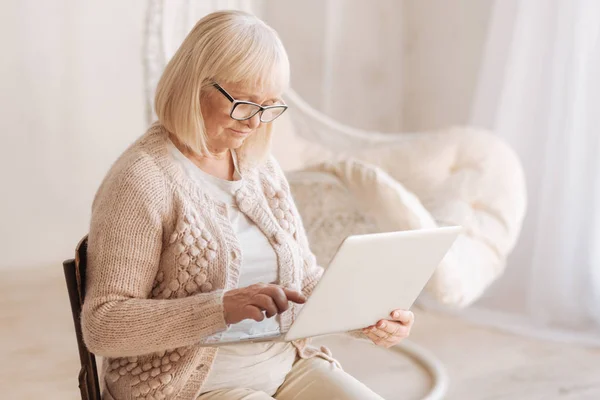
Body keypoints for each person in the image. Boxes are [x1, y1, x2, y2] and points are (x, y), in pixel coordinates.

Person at [81, 10, 414, 400]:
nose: (255, 123)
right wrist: (220, 307)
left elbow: (303, 280)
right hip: (186, 386)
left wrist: (367, 317)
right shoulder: (141, 180)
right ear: (194, 85)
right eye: (244, 103)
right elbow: (103, 325)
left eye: (270, 106)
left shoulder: (260, 168)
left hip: (284, 364)